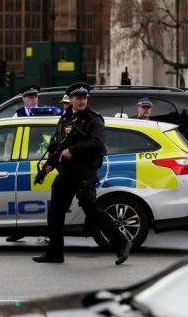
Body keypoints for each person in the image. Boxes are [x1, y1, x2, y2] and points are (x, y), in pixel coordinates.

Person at [32, 82, 131, 265]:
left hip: (84, 173)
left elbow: (97, 143)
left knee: (92, 210)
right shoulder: (65, 119)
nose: (82, 101)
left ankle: (122, 243)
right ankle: (55, 253)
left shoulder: (94, 120)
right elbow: (58, 147)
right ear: (70, 100)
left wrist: (74, 150)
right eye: (78, 98)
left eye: (84, 98)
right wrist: (46, 168)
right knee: (55, 213)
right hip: (66, 173)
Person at [6, 84, 42, 243]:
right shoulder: (17, 115)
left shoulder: (45, 113)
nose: (33, 100)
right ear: (23, 99)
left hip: (39, 160)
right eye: (30, 97)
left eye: (35, 97)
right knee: (19, 199)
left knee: (40, 199)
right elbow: (10, 140)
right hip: (20, 161)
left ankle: (44, 232)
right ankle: (19, 230)